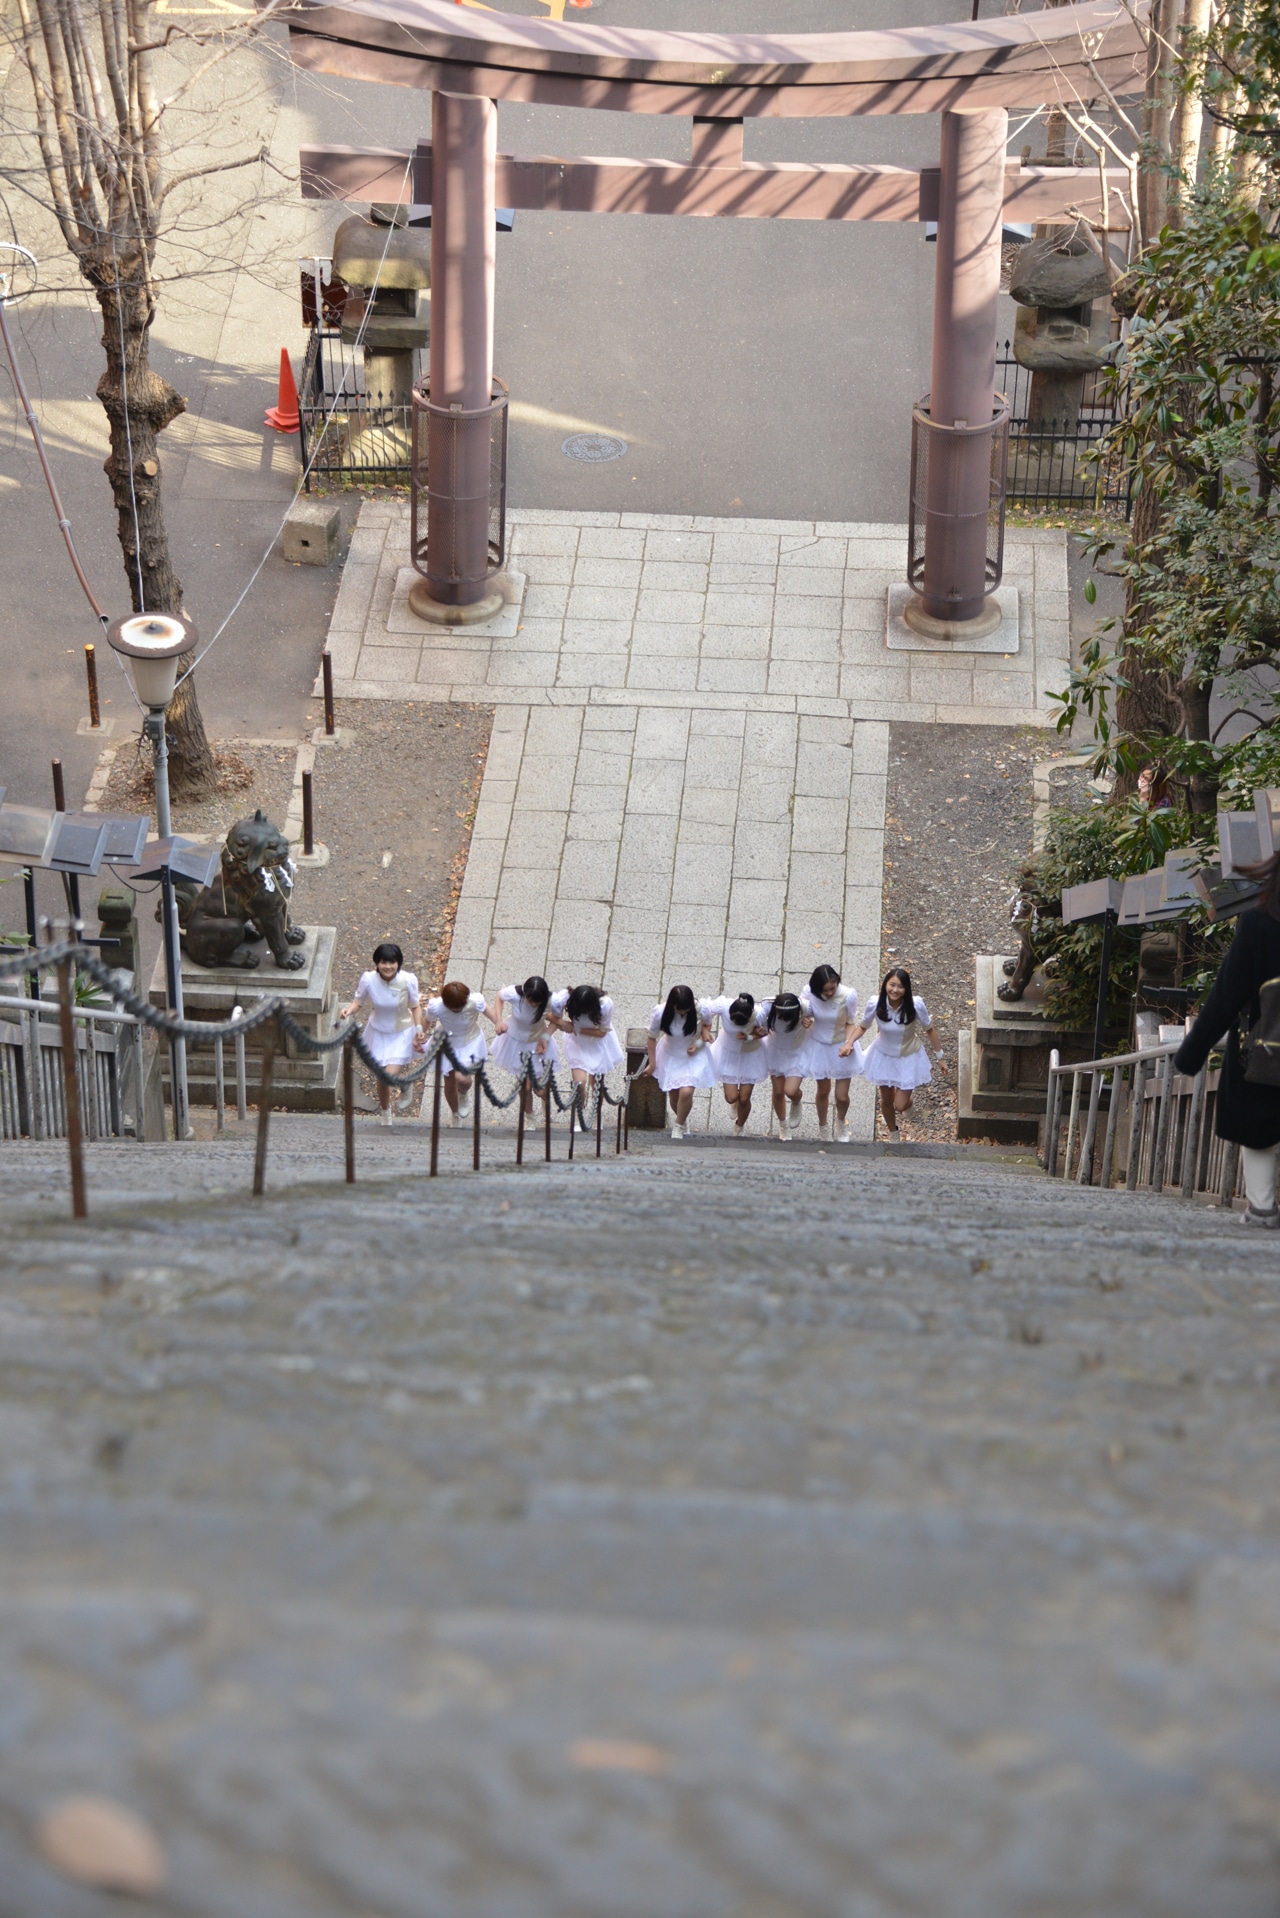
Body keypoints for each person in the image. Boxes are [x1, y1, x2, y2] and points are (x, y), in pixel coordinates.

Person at [1175, 854, 1280, 1227]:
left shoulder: (1258, 925)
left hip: (1265, 1053)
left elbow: (1225, 997)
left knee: (1260, 1131)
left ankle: (1262, 1208)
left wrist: (1192, 1053)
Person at [842, 965, 945, 1137]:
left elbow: (929, 1029)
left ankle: (908, 1103)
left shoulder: (915, 1005)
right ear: (885, 985)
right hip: (883, 1056)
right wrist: (849, 1043)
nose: (895, 990)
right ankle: (894, 1134)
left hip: (908, 1057)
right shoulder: (875, 1003)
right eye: (892, 985)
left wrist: (939, 1057)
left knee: (900, 1104)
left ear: (906, 989)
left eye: (900, 986)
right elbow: (863, 1026)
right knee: (886, 1099)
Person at [339, 942, 424, 1126]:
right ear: (377, 963)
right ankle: (385, 1111)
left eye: (392, 962)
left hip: (401, 1033)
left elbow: (415, 1006)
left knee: (389, 1075)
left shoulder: (407, 980)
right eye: (383, 962)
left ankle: (404, 1082)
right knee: (381, 1078)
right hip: (378, 1033)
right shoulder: (369, 980)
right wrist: (348, 1011)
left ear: (398, 963)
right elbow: (358, 1002)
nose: (388, 966)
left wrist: (419, 1029)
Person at [798, 963, 862, 1144]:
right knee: (823, 1091)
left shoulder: (848, 995)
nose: (829, 993)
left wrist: (849, 1044)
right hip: (819, 1045)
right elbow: (805, 1013)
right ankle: (823, 1126)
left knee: (842, 1096)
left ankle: (841, 1122)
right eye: (824, 990)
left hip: (841, 1044)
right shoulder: (809, 993)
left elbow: (850, 1022)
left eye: (832, 988)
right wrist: (805, 1020)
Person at [645, 985, 716, 1140]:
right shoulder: (660, 1013)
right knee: (674, 1096)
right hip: (671, 1055)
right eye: (680, 1010)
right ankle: (682, 1119)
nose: (683, 1013)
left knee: (686, 1092)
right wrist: (652, 1063)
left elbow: (707, 1024)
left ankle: (678, 1126)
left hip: (693, 1055)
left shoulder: (701, 1009)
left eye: (686, 1010)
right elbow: (651, 1038)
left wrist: (699, 1041)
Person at [550, 983, 624, 1130]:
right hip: (577, 1043)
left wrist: (576, 1028)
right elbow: (547, 1014)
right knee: (579, 1083)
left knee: (596, 1083)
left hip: (597, 1042)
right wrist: (562, 1022)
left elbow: (602, 1032)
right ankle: (580, 1116)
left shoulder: (605, 1004)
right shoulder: (564, 997)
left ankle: (596, 1115)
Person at [703, 990, 769, 1135]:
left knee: (744, 1099)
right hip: (728, 1053)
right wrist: (705, 1028)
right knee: (731, 1097)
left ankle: (740, 1126)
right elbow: (705, 1009)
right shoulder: (723, 1006)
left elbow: (766, 1031)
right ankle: (734, 1103)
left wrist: (750, 1036)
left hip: (751, 1055)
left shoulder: (759, 1015)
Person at [488, 976, 557, 1115]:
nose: (534, 1005)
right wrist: (499, 1020)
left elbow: (557, 1020)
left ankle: (545, 1100)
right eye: (530, 1001)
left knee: (540, 1090)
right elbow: (499, 996)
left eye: (537, 1002)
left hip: (538, 1043)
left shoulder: (552, 1000)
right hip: (516, 1042)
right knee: (525, 1087)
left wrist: (545, 1037)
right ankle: (529, 1116)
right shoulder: (514, 994)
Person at [425, 979, 488, 1127]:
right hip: (447, 1043)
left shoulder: (474, 1002)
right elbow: (426, 1020)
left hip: (468, 1042)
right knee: (449, 1084)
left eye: (460, 1007)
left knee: (463, 1079)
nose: (457, 1010)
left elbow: (489, 1012)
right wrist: (420, 1032)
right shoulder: (437, 1006)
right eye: (453, 1008)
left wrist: (499, 1023)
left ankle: (463, 1093)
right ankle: (455, 1114)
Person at [762, 991, 811, 1141]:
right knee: (778, 1092)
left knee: (790, 1090)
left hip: (796, 1052)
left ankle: (796, 1101)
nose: (783, 1020)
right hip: (776, 1051)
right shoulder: (767, 1006)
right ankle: (783, 1124)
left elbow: (823, 1016)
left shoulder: (805, 1007)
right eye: (780, 1017)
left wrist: (811, 1021)